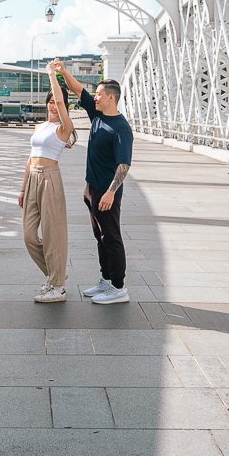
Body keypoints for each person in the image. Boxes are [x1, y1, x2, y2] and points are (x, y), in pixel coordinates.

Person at [49, 59, 133, 305]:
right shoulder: (97, 113)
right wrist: (63, 71)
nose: (94, 97)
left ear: (111, 98)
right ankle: (106, 280)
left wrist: (110, 193)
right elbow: (77, 90)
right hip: (93, 188)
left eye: (99, 94)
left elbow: (124, 165)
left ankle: (118, 287)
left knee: (112, 236)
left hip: (107, 192)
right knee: (100, 236)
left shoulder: (121, 128)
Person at [18, 66, 76, 303]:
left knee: (53, 234)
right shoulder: (39, 127)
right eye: (50, 102)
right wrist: (23, 188)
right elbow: (30, 158)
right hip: (33, 178)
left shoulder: (64, 129)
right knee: (29, 236)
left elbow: (63, 105)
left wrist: (53, 76)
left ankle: (57, 286)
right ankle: (56, 274)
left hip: (50, 178)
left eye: (57, 102)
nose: (54, 105)